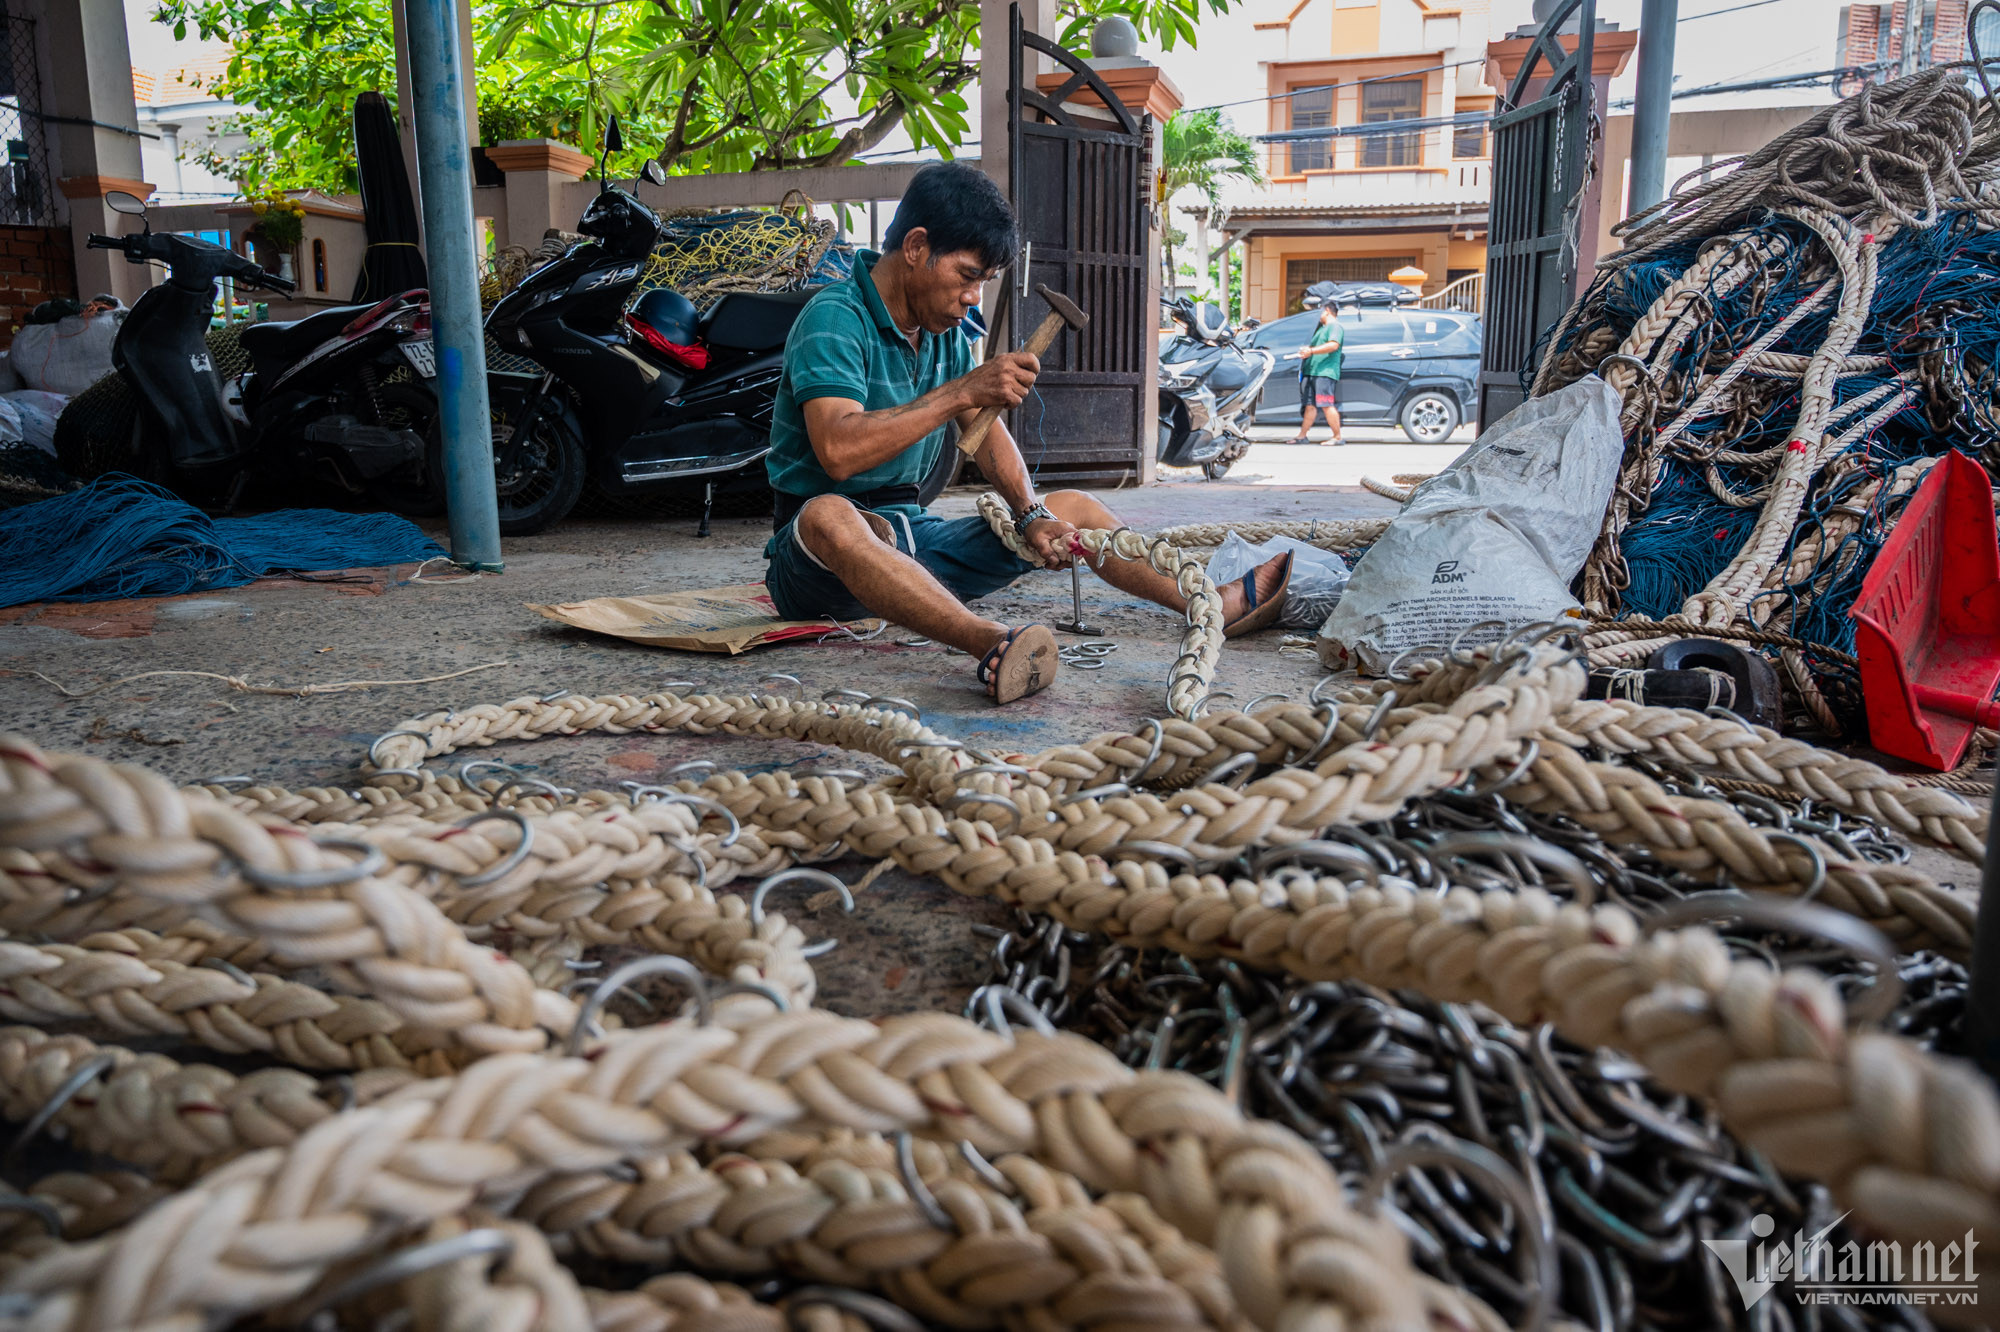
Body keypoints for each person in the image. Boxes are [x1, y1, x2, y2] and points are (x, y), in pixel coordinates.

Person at [763, 162, 1294, 705]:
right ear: (918, 247)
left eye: (983, 283)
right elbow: (838, 450)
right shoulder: (833, 318)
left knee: (1073, 508)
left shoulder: (940, 334)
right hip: (816, 562)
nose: (974, 297)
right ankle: (990, 641)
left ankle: (1208, 603)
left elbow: (985, 430)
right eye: (967, 275)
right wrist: (961, 391)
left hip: (912, 535)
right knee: (831, 514)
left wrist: (1030, 513)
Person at [1285, 305, 1344, 445]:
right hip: (1312, 372)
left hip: (1325, 372)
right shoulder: (1321, 329)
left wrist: (1311, 351)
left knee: (1326, 404)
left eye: (1319, 312)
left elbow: (1333, 345)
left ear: (1327, 311)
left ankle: (1337, 437)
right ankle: (1302, 436)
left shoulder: (1335, 327)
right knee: (1310, 405)